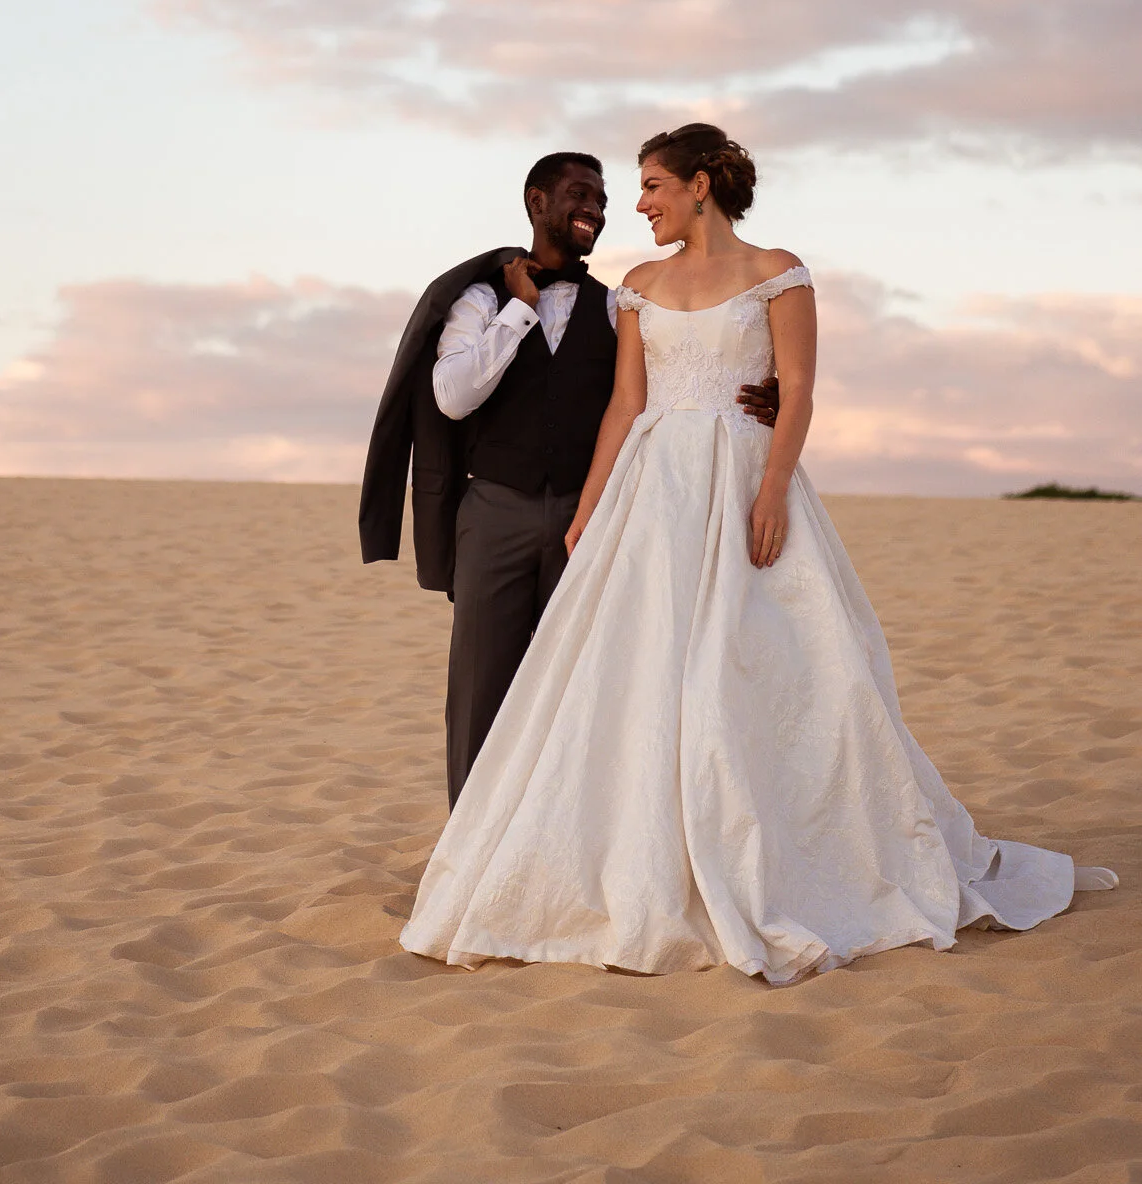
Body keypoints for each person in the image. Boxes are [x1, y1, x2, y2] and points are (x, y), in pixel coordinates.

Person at [401, 124, 1116, 983]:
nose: (638, 204)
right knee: (643, 669)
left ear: (700, 185)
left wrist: (772, 488)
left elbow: (800, 388)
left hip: (744, 477)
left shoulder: (777, 270)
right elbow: (625, 404)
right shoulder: (637, 286)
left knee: (764, 663)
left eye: (653, 186)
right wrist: (591, 508)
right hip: (652, 490)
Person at [358, 150, 779, 807]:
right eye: (581, 194)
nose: (597, 209)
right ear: (536, 203)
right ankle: (469, 844)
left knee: (579, 681)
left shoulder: (615, 306)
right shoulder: (478, 299)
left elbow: (664, 386)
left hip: (591, 521)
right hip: (493, 514)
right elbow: (451, 395)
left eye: (603, 200)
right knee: (480, 686)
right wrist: (517, 312)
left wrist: (762, 395)